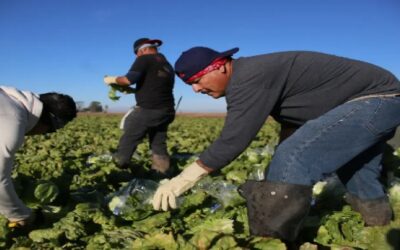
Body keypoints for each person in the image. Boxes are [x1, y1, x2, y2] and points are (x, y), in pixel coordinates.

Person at [151, 47, 400, 241]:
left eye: (197, 80)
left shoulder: (248, 76)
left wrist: (184, 179)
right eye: (189, 85)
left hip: (375, 100)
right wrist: (276, 175)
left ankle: (270, 240)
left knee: (295, 156)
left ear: (220, 67)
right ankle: (377, 228)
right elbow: (293, 126)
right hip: (380, 102)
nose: (195, 89)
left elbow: (234, 139)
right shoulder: (257, 74)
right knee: (356, 170)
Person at [0, 86, 77, 227]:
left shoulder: (8, 96)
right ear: (47, 120)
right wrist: (20, 215)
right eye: (51, 131)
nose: (43, 134)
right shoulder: (13, 119)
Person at [104, 38, 175, 178]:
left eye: (137, 53)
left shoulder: (144, 59)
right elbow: (154, 87)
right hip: (166, 111)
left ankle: (117, 172)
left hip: (149, 110)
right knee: (158, 143)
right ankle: (161, 174)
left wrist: (112, 79)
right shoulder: (166, 64)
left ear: (142, 50)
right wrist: (131, 90)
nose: (137, 57)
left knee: (128, 138)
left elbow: (128, 79)